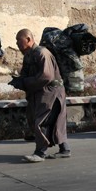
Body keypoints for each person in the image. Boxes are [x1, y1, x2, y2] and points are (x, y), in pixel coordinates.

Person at [9, 29, 71, 163]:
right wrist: (19, 81)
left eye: (19, 40)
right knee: (55, 122)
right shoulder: (28, 56)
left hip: (51, 92)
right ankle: (64, 149)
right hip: (41, 92)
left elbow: (46, 76)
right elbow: (26, 74)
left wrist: (25, 82)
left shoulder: (42, 53)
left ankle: (40, 152)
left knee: (43, 121)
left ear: (28, 39)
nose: (17, 43)